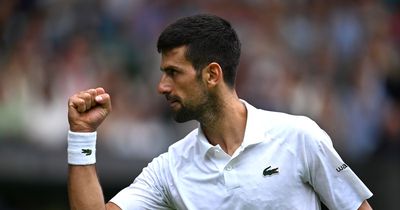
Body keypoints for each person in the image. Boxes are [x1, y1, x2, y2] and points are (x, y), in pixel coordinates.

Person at [67, 14, 373, 210]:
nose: (162, 86)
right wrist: (82, 135)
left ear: (212, 75)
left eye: (174, 73)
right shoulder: (170, 167)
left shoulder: (300, 137)